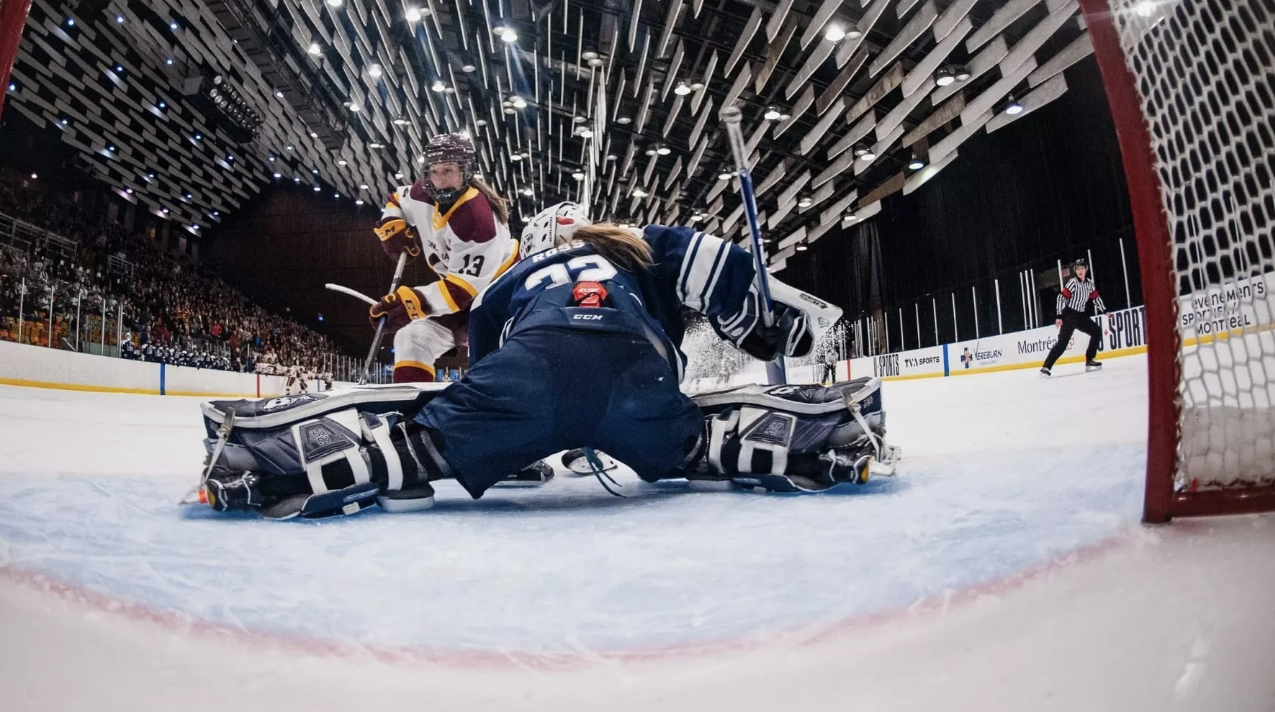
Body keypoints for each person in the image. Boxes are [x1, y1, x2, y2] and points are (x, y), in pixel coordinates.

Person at [195, 203, 894, 520]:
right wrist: (769, 330)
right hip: (641, 374)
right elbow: (721, 267)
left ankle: (268, 454)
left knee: (421, 447)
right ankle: (815, 431)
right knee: (693, 441)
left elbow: (491, 363)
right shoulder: (637, 245)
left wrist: (508, 444)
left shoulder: (509, 281)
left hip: (526, 373)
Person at [369, 133, 518, 385]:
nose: (440, 180)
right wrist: (391, 223)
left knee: (489, 368)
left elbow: (462, 290)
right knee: (411, 337)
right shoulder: (422, 193)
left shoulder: (477, 219)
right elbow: (396, 199)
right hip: (461, 292)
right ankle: (412, 415)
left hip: (499, 298)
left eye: (448, 170)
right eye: (434, 171)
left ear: (465, 171)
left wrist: (413, 302)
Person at [1040, 257, 1106, 376]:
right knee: (1062, 343)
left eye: (1082, 268)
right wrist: (1059, 315)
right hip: (1069, 315)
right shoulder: (1073, 283)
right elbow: (1061, 297)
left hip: (1081, 315)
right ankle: (1046, 367)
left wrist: (1105, 311)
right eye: (1078, 268)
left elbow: (1096, 298)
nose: (1080, 271)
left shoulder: (1090, 284)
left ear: (1086, 269)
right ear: (1075, 270)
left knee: (1096, 331)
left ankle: (1090, 360)